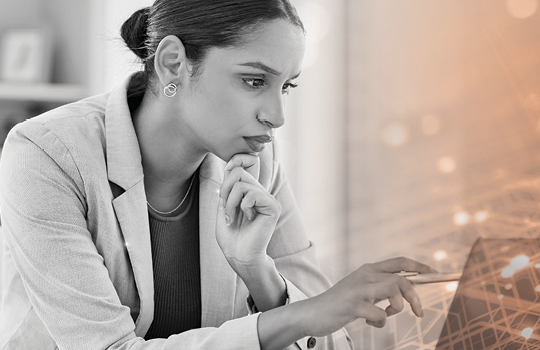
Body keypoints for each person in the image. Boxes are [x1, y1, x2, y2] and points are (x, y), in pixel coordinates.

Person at [0, 1, 436, 349]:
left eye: (286, 86)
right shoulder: (47, 154)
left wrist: (257, 270)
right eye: (253, 81)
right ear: (173, 63)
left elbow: (331, 342)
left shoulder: (256, 161)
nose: (277, 116)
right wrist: (302, 313)